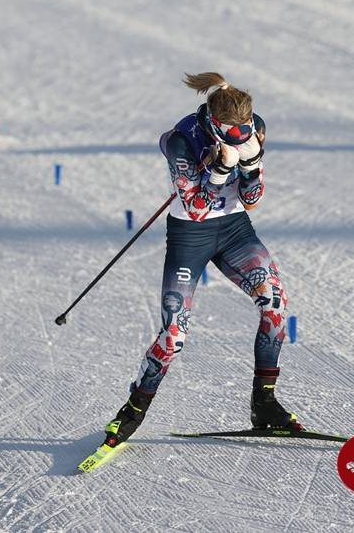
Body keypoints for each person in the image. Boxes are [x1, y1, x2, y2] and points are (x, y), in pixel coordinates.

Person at [101, 71, 300, 449]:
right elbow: (194, 207)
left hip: (235, 229)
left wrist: (252, 164)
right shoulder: (182, 139)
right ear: (213, 121)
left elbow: (253, 198)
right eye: (232, 133)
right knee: (174, 335)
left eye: (245, 131)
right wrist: (221, 168)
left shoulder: (254, 128)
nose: (240, 137)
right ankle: (131, 412)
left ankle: (265, 405)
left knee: (275, 307)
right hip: (190, 236)